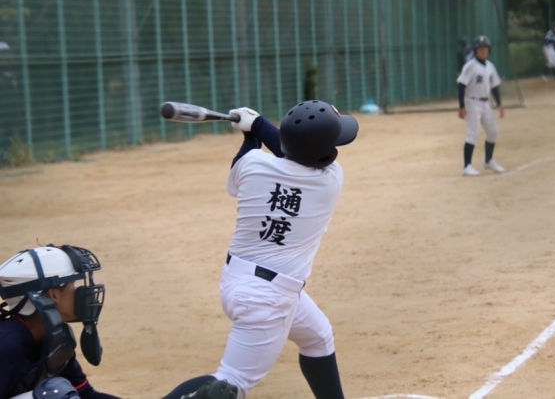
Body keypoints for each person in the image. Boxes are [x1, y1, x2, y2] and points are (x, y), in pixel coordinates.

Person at [166, 101, 358, 399]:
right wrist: (257, 125)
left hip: (239, 281)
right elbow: (286, 149)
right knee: (230, 384)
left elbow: (263, 153)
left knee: (318, 337)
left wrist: (251, 133)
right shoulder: (330, 180)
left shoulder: (252, 165)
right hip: (267, 300)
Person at [0, 244, 119, 399]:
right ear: (54, 294)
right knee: (55, 394)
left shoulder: (55, 340)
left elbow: (86, 395)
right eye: (73, 284)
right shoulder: (5, 347)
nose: (81, 292)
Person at [457, 35, 505, 177]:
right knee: (473, 133)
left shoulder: (490, 66)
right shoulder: (471, 65)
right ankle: (467, 166)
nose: (483, 50)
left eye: (485, 47)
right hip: (472, 102)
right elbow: (461, 85)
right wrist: (461, 106)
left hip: (485, 103)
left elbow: (494, 86)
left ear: (489, 50)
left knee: (493, 132)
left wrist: (499, 104)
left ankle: (488, 161)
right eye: (480, 48)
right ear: (475, 50)